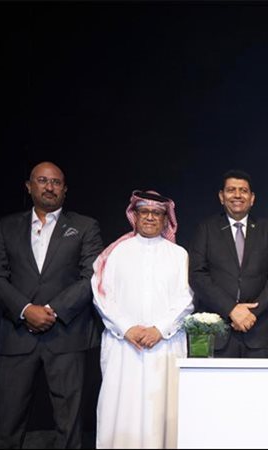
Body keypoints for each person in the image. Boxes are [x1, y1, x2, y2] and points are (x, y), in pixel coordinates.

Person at [0, 161, 104, 448]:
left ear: (65, 189)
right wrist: (26, 310)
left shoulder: (85, 226)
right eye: (42, 180)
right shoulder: (6, 226)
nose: (49, 187)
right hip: (17, 334)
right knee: (8, 421)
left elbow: (93, 275)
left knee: (69, 424)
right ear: (29, 187)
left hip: (66, 335)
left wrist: (53, 311)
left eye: (56, 182)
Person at [91, 190, 194, 449]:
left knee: (162, 413)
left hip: (165, 345)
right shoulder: (116, 252)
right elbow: (101, 294)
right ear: (134, 216)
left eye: (156, 213)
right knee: (120, 411)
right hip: (124, 347)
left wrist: (159, 329)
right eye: (144, 212)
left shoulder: (179, 254)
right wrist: (127, 328)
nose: (150, 217)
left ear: (165, 219)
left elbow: (187, 299)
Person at [189, 170, 268, 357]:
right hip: (217, 332)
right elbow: (197, 275)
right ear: (221, 196)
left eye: (243, 191)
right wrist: (231, 309)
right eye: (231, 190)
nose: (237, 195)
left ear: (252, 198)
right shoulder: (206, 229)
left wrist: (251, 313)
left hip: (259, 332)